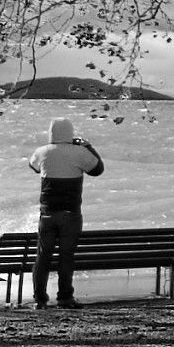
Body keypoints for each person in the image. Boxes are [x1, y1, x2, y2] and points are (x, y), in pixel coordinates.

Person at [26, 118, 105, 309]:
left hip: (47, 213)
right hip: (70, 213)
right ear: (71, 133)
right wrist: (88, 146)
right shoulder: (80, 153)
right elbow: (98, 170)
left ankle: (40, 298)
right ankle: (64, 297)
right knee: (66, 255)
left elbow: (33, 166)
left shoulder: (42, 151)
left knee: (43, 256)